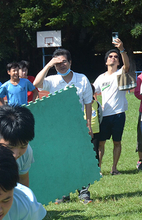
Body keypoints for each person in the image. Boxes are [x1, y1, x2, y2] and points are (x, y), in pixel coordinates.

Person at [33, 47, 95, 204]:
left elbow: (88, 103)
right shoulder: (53, 80)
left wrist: (88, 125)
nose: (62, 65)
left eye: (64, 62)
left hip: (77, 125)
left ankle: (83, 192)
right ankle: (63, 192)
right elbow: (37, 83)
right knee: (61, 159)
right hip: (57, 127)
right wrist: (48, 65)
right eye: (58, 63)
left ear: (70, 62)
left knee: (79, 158)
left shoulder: (82, 79)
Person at [92, 38, 130, 175]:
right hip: (105, 114)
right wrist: (96, 104)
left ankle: (114, 168)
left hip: (119, 113)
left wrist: (122, 50)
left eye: (116, 57)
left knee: (117, 142)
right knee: (101, 143)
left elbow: (127, 66)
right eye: (110, 56)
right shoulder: (101, 78)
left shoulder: (120, 73)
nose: (113, 58)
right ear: (106, 61)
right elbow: (92, 91)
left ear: (118, 61)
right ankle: (99, 169)